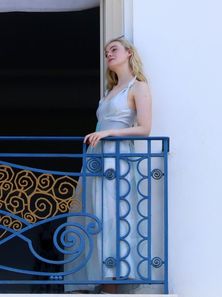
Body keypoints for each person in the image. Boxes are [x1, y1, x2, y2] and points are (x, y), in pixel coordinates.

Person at [64, 37, 152, 294]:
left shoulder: (139, 86)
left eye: (113, 49)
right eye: (105, 52)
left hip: (118, 158)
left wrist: (108, 133)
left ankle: (112, 280)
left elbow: (145, 128)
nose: (108, 54)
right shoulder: (110, 91)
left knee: (112, 213)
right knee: (92, 214)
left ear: (128, 53)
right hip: (96, 157)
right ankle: (93, 277)